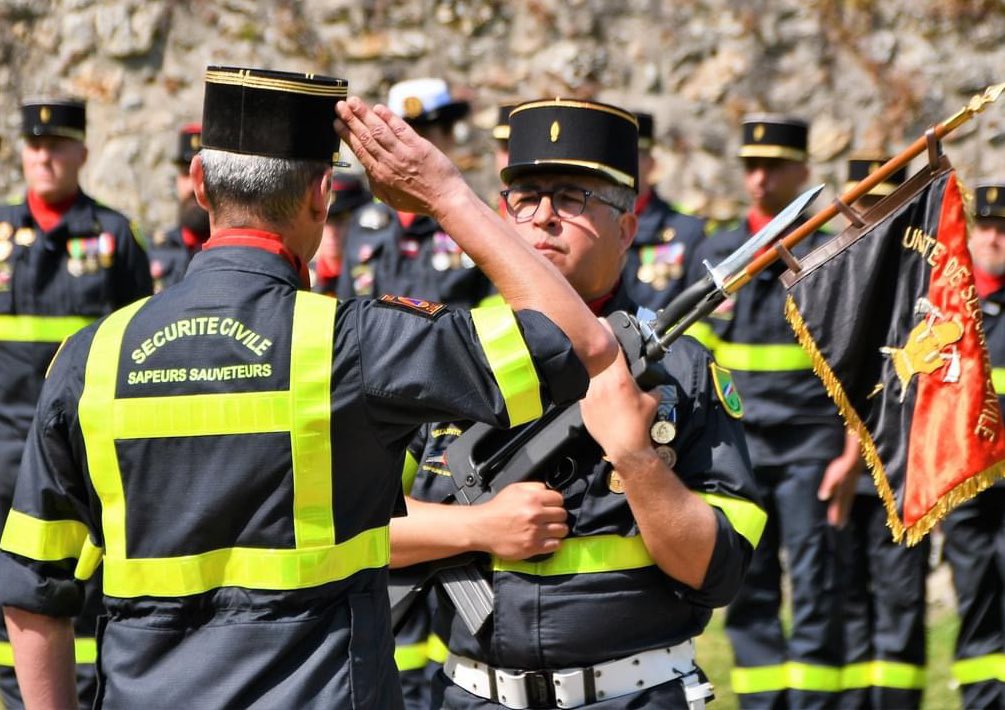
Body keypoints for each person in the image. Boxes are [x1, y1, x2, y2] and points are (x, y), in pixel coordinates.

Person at [0, 67, 617, 709]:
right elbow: (580, 343)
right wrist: (446, 197)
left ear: (200, 183)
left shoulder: (88, 359)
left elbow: (31, 590)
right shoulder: (353, 344)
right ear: (323, 195)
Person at [391, 98, 764, 709]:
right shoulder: (445, 355)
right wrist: (478, 528)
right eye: (525, 198)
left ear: (625, 227)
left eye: (571, 199)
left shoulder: (683, 372)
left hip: (631, 696)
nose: (543, 219)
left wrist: (636, 458)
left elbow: (716, 571)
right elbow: (356, 525)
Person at [684, 114, 862, 709]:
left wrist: (851, 454)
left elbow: (858, 361)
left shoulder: (831, 254)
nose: (759, 179)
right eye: (750, 167)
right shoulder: (717, 254)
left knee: (817, 587)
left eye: (773, 167)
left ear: (802, 172)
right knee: (749, 586)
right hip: (740, 448)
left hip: (812, 445)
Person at [0, 96, 152, 709]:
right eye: (36, 146)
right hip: (3, 453)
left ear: (82, 153)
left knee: (79, 595)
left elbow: (139, 345)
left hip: (78, 457)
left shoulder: (114, 235)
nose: (45, 157)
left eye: (58, 145)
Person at [837, 155, 928, 709]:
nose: (871, 216)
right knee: (843, 598)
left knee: (899, 601)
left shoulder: (921, 274)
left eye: (884, 203)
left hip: (903, 464)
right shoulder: (829, 277)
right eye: (863, 203)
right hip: (834, 465)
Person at [337, 77, 493, 307]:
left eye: (423, 137)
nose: (409, 152)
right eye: (398, 138)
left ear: (449, 136)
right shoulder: (363, 223)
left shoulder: (478, 220)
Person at [942, 181, 1005, 709]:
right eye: (985, 227)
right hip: (968, 483)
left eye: (1004, 230)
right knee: (977, 601)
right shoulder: (949, 310)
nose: (994, 239)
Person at [621, 111, 707, 312]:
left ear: (651, 163)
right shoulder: (591, 226)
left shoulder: (688, 232)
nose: (622, 169)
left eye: (630, 158)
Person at [148, 123, 209, 293]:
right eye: (185, 173)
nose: (192, 186)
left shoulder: (233, 254)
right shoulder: (154, 251)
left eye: (202, 175)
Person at [310, 174, 372, 296]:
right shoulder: (302, 281)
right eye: (325, 221)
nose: (332, 232)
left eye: (341, 220)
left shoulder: (377, 279)